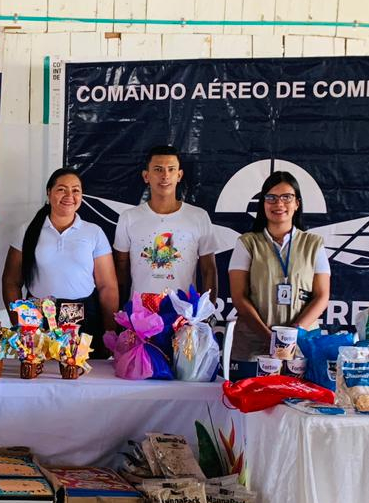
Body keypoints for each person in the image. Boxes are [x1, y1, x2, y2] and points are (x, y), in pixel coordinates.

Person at [1, 168, 118, 352]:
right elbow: (11, 281)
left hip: (83, 317)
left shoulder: (93, 232)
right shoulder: (28, 230)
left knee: (79, 374)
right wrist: (20, 324)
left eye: (76, 190)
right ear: (49, 192)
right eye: (62, 189)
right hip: (37, 316)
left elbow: (107, 286)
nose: (69, 196)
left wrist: (110, 331)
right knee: (39, 372)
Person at [227, 170, 331, 362]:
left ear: (297, 203)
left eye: (286, 197)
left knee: (301, 392)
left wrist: (292, 336)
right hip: (254, 345)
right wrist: (269, 338)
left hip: (303, 345)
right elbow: (239, 297)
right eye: (271, 198)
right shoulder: (247, 243)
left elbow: (322, 296)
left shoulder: (314, 244)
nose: (279, 204)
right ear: (263, 204)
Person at [112, 145, 217, 301]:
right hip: (140, 315)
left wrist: (205, 313)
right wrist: (121, 310)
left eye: (171, 169)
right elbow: (121, 268)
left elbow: (209, 270)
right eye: (158, 169)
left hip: (183, 314)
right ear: (146, 176)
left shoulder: (199, 217)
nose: (165, 176)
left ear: (179, 175)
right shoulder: (129, 218)